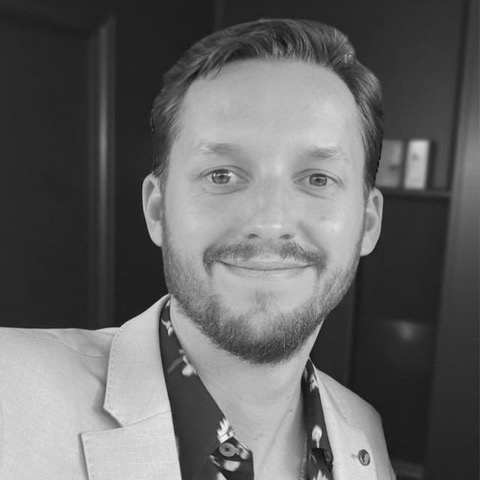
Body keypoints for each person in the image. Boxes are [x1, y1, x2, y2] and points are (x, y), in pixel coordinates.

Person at [0, 18, 395, 480]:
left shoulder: (364, 433)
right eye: (222, 175)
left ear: (368, 223)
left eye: (318, 179)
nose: (270, 222)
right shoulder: (11, 395)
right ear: (157, 209)